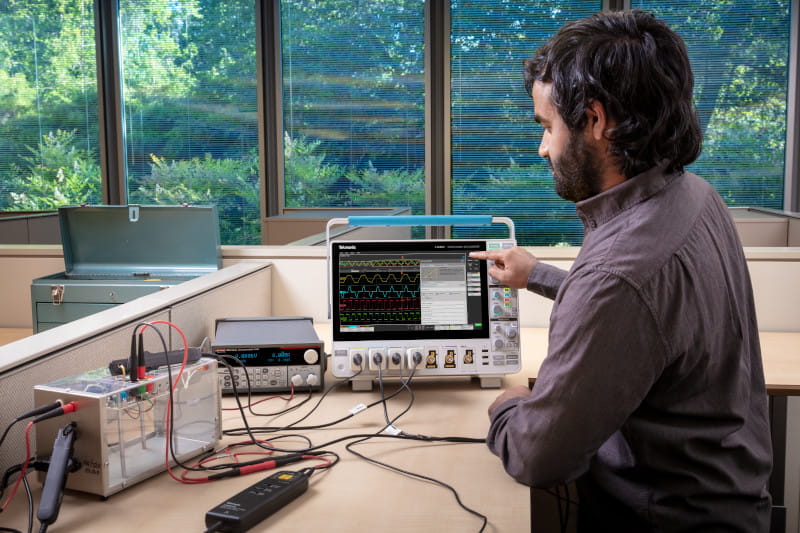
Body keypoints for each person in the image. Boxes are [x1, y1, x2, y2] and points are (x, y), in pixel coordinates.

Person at [469, 10, 772, 532]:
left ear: (594, 119)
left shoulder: (618, 276)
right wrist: (538, 274)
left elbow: (539, 459)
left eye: (547, 126)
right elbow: (652, 314)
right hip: (731, 504)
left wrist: (508, 408)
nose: (543, 147)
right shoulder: (692, 195)